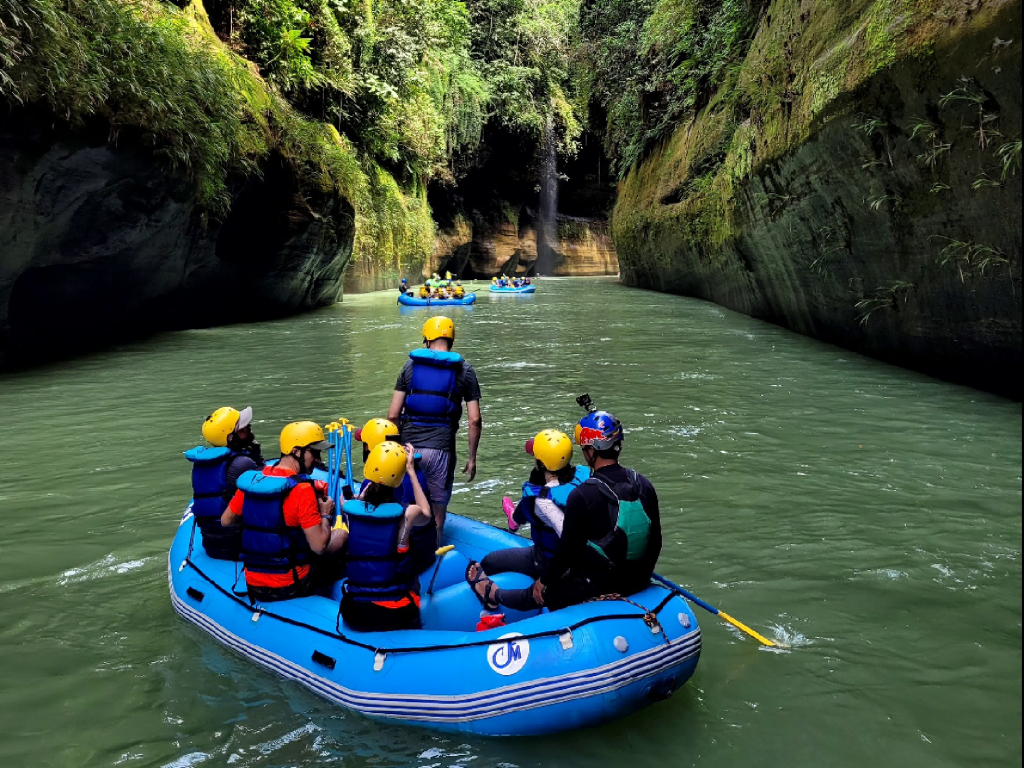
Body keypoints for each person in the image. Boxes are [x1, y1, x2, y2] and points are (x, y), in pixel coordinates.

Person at [467, 404, 661, 613]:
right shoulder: (642, 482)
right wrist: (642, 578)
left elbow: (567, 551)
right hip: (638, 579)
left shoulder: (584, 494)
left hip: (600, 583)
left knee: (536, 594)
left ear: (591, 450)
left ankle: (493, 593)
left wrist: (544, 581)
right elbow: (656, 540)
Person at [221, 421, 347, 602]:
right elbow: (319, 547)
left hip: (253, 582)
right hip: (292, 585)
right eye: (315, 453)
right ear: (296, 452)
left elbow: (226, 520)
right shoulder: (303, 490)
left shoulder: (255, 480)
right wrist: (325, 514)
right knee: (341, 535)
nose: (319, 460)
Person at [388, 316, 481, 539]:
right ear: (451, 339)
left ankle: (402, 549)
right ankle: (435, 550)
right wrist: (472, 458)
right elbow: (474, 420)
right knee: (438, 511)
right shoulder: (464, 370)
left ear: (427, 339)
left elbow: (393, 414)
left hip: (409, 448)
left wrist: (394, 448)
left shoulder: (410, 366)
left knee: (406, 502)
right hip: (441, 450)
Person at [341, 441, 432, 631]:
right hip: (394, 614)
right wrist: (412, 471)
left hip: (355, 611)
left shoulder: (348, 508)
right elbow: (427, 513)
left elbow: (366, 497)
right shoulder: (407, 515)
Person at [479, 430, 590, 582]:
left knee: (489, 561)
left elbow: (568, 540)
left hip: (549, 562)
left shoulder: (540, 499)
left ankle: (513, 520)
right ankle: (514, 518)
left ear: (541, 464)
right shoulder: (584, 473)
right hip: (588, 554)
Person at [355, 418, 437, 571]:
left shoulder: (369, 486)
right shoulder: (418, 475)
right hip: (425, 551)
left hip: (398, 559)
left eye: (365, 444)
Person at [185, 406, 265, 560]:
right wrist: (258, 458)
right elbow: (267, 490)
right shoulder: (242, 463)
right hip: (238, 544)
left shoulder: (203, 463)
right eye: (243, 429)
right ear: (230, 437)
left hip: (211, 542)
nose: (249, 430)